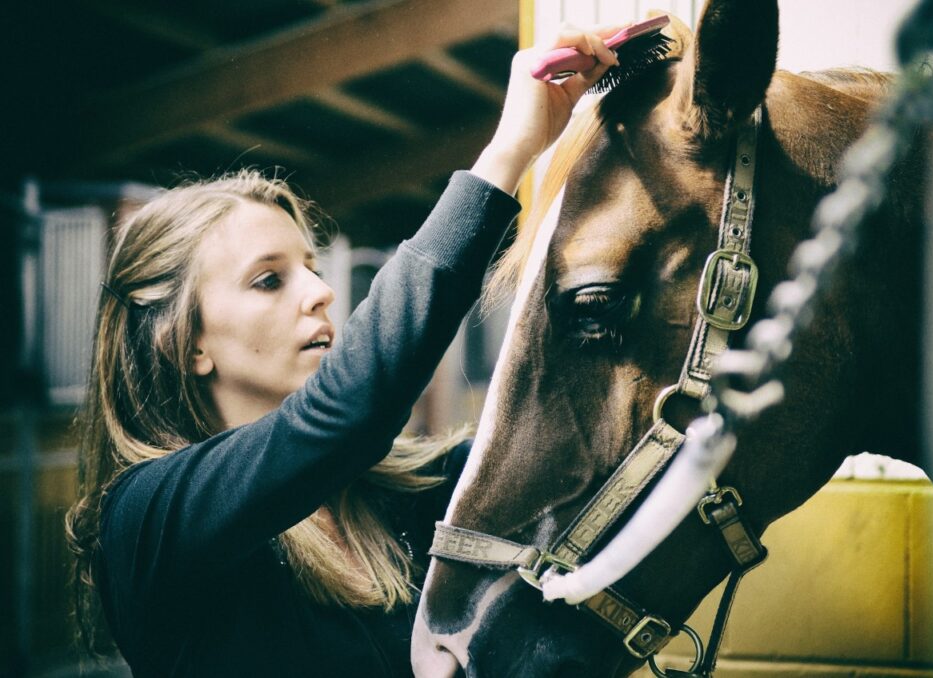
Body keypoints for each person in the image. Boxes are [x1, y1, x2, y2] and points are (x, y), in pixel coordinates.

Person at [64, 28, 619, 678]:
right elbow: (348, 413)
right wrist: (508, 154)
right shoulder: (150, 520)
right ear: (187, 344)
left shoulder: (403, 490)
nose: (322, 293)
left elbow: (569, 454)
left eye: (311, 267)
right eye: (270, 279)